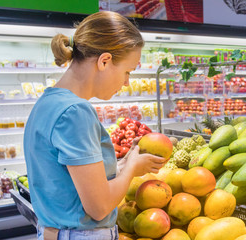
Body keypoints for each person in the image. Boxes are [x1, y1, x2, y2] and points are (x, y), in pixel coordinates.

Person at [23, 11, 167, 240]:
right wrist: (131, 170)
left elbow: (71, 183)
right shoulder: (75, 112)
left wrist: (126, 161)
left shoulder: (48, 102)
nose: (127, 82)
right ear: (104, 61)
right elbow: (98, 207)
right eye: (127, 72)